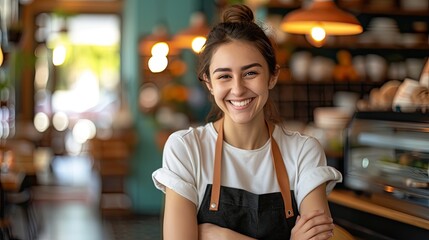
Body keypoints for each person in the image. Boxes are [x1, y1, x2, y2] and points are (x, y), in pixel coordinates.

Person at [152, 4, 342, 240]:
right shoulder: (187, 149)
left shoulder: (303, 152)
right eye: (224, 76)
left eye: (250, 73)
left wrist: (220, 236)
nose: (238, 89)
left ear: (272, 76)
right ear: (209, 83)